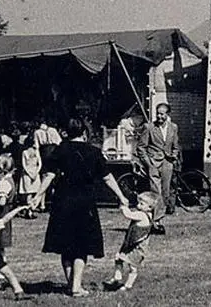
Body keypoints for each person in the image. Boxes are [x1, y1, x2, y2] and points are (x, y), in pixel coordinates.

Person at [29, 118, 130, 297]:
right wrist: (121, 196)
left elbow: (49, 176)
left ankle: (71, 285)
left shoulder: (60, 150)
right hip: (85, 202)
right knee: (81, 245)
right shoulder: (94, 152)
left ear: (66, 132)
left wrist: (38, 196)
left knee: (65, 244)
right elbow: (107, 178)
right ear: (84, 132)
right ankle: (76, 287)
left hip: (63, 200)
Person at [105, 191, 159, 293]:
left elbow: (128, 215)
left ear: (150, 207)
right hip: (130, 244)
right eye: (138, 203)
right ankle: (117, 277)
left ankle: (128, 285)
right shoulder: (146, 214)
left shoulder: (142, 215)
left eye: (142, 204)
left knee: (132, 267)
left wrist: (123, 206)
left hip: (137, 247)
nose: (138, 205)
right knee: (119, 258)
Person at [135, 103, 181, 219]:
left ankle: (159, 217)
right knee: (156, 192)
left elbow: (175, 146)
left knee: (166, 193)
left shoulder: (173, 127)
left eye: (162, 114)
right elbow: (141, 147)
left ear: (167, 115)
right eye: (158, 114)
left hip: (167, 164)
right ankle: (156, 219)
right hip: (153, 163)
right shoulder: (149, 127)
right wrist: (148, 163)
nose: (159, 116)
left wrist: (174, 156)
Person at [18, 134, 42, 219]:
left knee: (30, 193)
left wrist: (31, 173)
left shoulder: (28, 152)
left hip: (29, 173)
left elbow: (24, 165)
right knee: (31, 193)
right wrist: (35, 173)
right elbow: (39, 164)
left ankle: (30, 210)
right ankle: (29, 211)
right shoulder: (34, 152)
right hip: (33, 172)